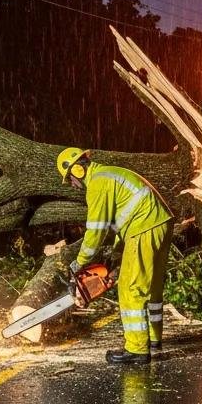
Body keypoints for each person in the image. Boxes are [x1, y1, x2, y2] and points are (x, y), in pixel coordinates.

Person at [56, 147, 173, 365]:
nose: (72, 184)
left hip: (144, 228)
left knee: (131, 289)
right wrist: (116, 254)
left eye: (70, 178)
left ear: (78, 171)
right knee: (152, 287)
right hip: (159, 224)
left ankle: (137, 349)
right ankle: (154, 340)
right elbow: (123, 220)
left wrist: (79, 263)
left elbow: (95, 232)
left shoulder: (98, 184)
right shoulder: (109, 174)